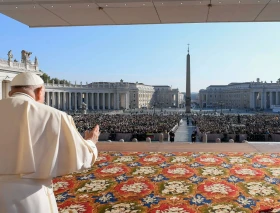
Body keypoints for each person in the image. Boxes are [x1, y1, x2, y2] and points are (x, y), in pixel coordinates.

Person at [0, 73, 99, 213]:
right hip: (31, 198)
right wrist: (91, 142)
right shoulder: (55, 116)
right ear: (40, 92)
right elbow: (82, 157)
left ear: (10, 92)